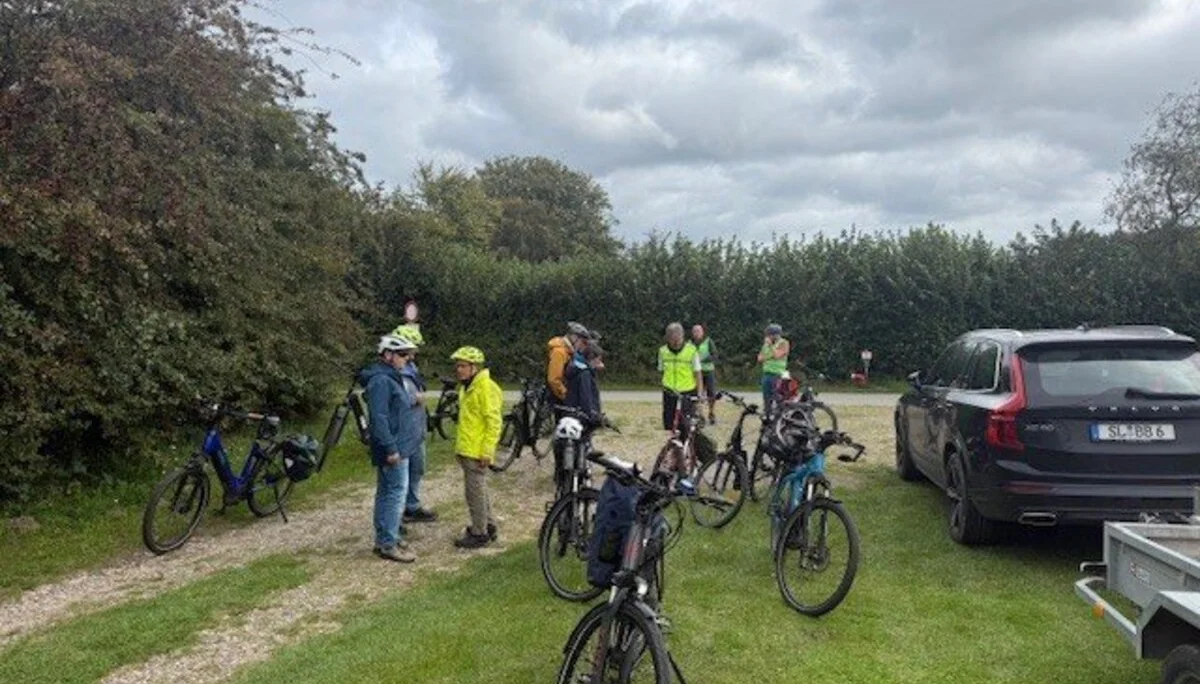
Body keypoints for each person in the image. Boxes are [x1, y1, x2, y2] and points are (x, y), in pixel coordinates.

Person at [360, 335, 421, 563]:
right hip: (393, 447)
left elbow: (395, 407)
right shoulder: (381, 381)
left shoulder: (390, 376)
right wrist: (391, 448)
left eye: (408, 355)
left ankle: (387, 536)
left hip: (398, 444)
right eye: (402, 354)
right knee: (394, 493)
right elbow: (379, 418)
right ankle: (388, 542)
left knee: (387, 492)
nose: (407, 359)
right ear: (387, 355)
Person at [450, 345, 503, 549]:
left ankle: (479, 533)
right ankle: (488, 525)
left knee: (475, 493)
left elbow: (494, 422)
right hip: (468, 449)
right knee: (478, 490)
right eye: (457, 366)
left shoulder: (485, 388)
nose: (459, 370)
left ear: (475, 367)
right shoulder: (467, 387)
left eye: (463, 366)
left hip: (476, 451)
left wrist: (487, 451)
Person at [389, 325, 437, 526]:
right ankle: (395, 519)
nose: (414, 353)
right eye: (412, 348)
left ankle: (412, 506)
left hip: (416, 428)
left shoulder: (411, 367)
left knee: (417, 468)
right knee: (399, 479)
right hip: (402, 431)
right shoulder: (394, 370)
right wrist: (413, 399)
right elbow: (393, 398)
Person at [657, 322, 704, 432]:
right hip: (669, 393)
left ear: (682, 336)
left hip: (687, 392)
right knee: (669, 425)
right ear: (667, 338)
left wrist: (699, 394)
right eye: (672, 341)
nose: (676, 344)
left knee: (686, 426)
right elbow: (661, 370)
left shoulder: (691, 350)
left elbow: (698, 373)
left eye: (678, 340)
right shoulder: (662, 351)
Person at [546, 321, 590, 409]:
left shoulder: (568, 351)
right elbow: (554, 379)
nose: (581, 345)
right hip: (557, 396)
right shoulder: (559, 352)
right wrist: (566, 395)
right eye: (582, 341)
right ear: (574, 337)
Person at [757, 323, 790, 407]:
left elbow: (777, 356)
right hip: (767, 374)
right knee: (767, 399)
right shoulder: (766, 345)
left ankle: (781, 413)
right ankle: (768, 413)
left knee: (779, 398)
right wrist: (770, 356)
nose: (768, 337)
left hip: (778, 374)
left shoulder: (784, 343)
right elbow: (759, 358)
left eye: (769, 335)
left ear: (776, 335)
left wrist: (771, 347)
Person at [691, 324, 718, 424]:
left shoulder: (708, 341)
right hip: (696, 372)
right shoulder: (689, 343)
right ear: (692, 333)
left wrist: (702, 360)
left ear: (702, 332)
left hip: (708, 371)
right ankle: (700, 414)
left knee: (711, 393)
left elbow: (715, 355)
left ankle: (711, 413)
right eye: (695, 331)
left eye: (698, 331)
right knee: (697, 394)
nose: (697, 333)